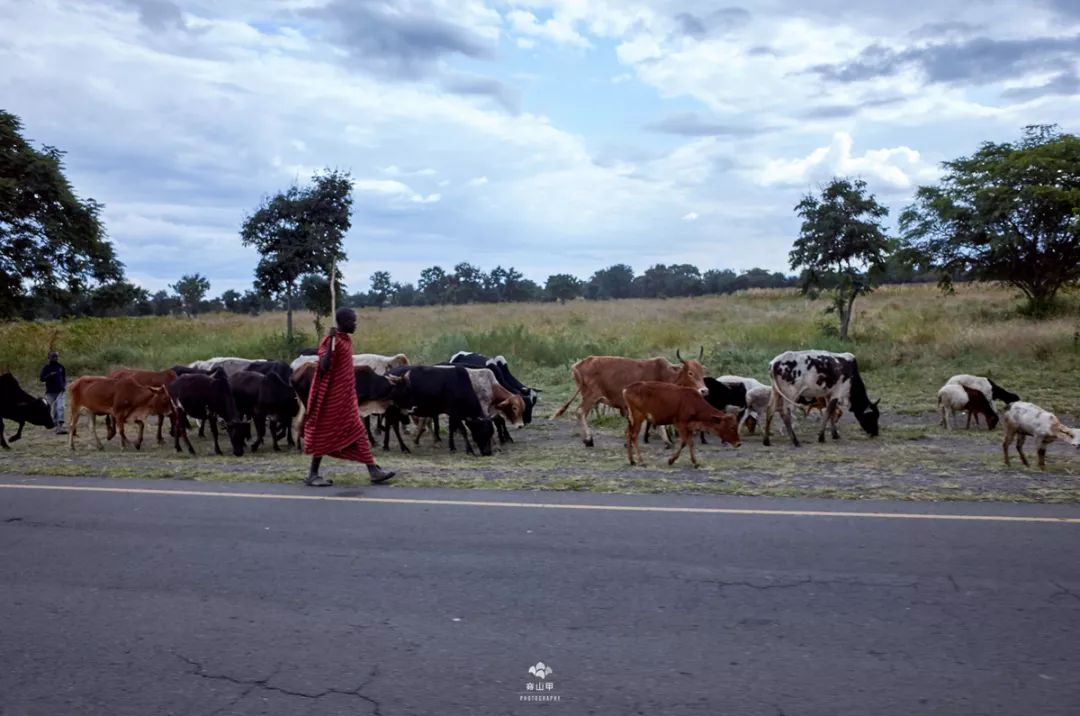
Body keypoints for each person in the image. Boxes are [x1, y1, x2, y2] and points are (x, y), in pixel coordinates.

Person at [302, 307, 396, 487]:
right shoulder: (331, 341)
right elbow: (323, 366)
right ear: (343, 322)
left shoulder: (346, 341)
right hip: (331, 399)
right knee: (324, 432)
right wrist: (330, 344)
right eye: (353, 321)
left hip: (346, 398)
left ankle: (374, 471)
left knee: (357, 431)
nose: (355, 324)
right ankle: (313, 474)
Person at [40, 351, 67, 435]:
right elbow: (41, 379)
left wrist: (64, 386)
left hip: (60, 391)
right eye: (53, 357)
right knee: (47, 408)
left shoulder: (61, 367)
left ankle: (60, 427)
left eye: (56, 356)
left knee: (60, 408)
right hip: (50, 392)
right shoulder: (46, 368)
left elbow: (63, 378)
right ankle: (52, 422)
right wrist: (49, 375)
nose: (55, 358)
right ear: (49, 358)